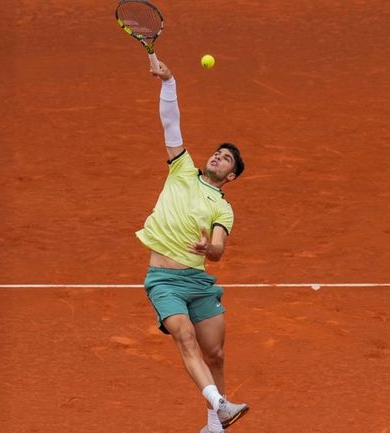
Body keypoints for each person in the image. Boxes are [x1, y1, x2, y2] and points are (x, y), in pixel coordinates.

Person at [135, 60, 249, 433]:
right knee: (184, 336)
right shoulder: (181, 168)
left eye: (226, 158)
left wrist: (207, 249)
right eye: (217, 152)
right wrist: (170, 81)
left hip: (198, 283)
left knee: (215, 352)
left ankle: (214, 423)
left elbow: (218, 249)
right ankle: (221, 406)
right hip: (163, 280)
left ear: (230, 176)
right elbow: (171, 123)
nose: (217, 156)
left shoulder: (223, 208)